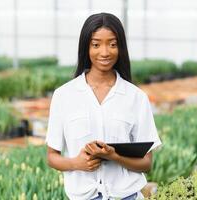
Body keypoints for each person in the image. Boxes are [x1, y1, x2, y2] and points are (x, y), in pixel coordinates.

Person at [46, 12, 162, 200]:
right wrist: (77, 163)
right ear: (86, 47)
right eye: (96, 44)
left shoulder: (136, 97)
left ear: (121, 47)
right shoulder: (64, 96)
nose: (105, 52)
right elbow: (52, 156)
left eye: (113, 44)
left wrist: (114, 156)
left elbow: (146, 163)